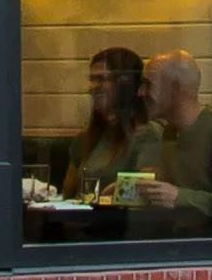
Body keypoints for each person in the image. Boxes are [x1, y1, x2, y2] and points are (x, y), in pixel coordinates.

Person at [121, 47, 212, 232]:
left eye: (148, 84)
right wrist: (127, 188)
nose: (140, 93)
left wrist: (179, 197)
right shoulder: (168, 132)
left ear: (175, 89)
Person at [62, 44, 155, 201]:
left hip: (121, 223)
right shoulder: (86, 138)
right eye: (92, 79)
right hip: (82, 220)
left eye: (102, 79)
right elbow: (68, 195)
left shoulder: (148, 135)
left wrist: (109, 194)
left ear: (126, 84)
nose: (93, 87)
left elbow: (147, 191)